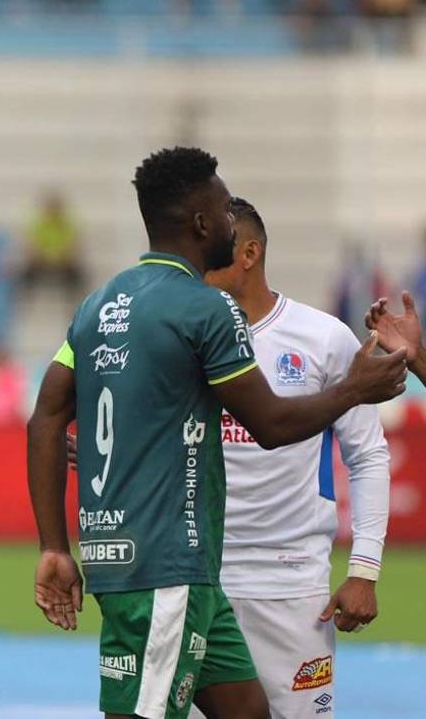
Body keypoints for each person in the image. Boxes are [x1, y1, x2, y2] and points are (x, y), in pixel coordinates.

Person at [26, 146, 406, 719]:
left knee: (247, 712)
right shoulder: (208, 310)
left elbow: (47, 418)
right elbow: (272, 424)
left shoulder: (98, 304)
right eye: (225, 209)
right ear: (203, 224)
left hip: (196, 568)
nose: (231, 219)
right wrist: (354, 389)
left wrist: (56, 545)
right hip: (167, 569)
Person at [198, 196, 389, 717]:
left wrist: (364, 570)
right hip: (197, 580)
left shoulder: (324, 338)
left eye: (212, 251)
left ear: (250, 253)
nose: (198, 265)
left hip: (291, 584)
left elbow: (368, 455)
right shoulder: (185, 339)